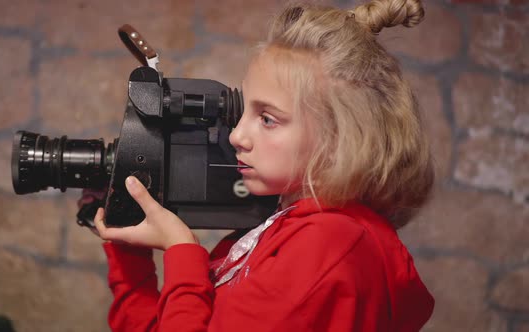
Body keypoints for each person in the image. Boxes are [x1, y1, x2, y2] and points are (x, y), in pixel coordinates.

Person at [91, 0, 436, 330]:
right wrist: (127, 247)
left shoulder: (329, 249)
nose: (237, 135)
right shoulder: (274, 232)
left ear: (341, 137)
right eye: (244, 113)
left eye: (268, 119)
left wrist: (183, 251)